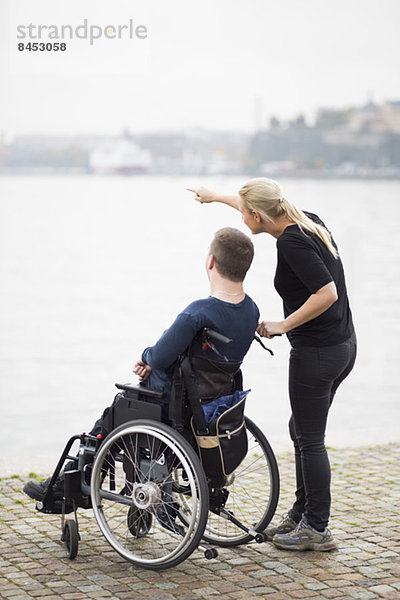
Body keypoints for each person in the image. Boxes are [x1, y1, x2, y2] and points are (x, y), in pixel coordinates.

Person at [23, 227, 260, 504]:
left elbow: (159, 356)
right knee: (126, 403)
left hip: (175, 404)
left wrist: (147, 359)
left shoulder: (198, 313)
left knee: (116, 410)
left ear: (210, 262)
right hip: (212, 402)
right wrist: (156, 363)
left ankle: (77, 481)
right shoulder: (251, 311)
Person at [188, 178, 356, 552]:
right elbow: (255, 205)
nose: (243, 218)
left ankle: (317, 528)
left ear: (259, 216)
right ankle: (302, 512)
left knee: (310, 440)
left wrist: (284, 324)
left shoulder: (294, 242)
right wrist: (216, 197)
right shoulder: (305, 220)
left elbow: (326, 292)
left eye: (246, 213)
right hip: (343, 346)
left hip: (318, 353)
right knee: (301, 429)